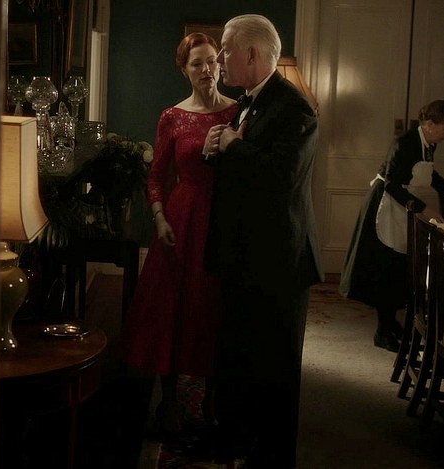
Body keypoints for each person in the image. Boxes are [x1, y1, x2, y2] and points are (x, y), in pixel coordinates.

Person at [201, 14, 322, 468]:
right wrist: (216, 151)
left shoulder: (297, 109)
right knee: (239, 357)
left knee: (276, 370)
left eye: (226, 49)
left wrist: (232, 146)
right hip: (245, 254)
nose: (220, 58)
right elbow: (244, 173)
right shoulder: (247, 101)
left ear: (251, 54)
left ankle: (272, 458)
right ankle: (235, 439)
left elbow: (278, 177)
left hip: (279, 261)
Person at [118, 32, 238, 439]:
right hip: (182, 220)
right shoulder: (172, 116)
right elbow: (155, 177)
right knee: (174, 309)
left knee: (215, 309)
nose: (206, 70)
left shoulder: (238, 111)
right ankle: (168, 402)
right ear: (184, 70)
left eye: (211, 61)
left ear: (220, 63)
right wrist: (159, 219)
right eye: (196, 64)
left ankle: (211, 402)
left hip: (223, 221)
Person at [340, 100, 444, 352]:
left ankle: (390, 324)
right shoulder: (405, 143)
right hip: (386, 205)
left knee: (399, 268)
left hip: (403, 205)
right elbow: (391, 184)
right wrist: (424, 209)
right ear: (430, 124)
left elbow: (427, 172)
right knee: (386, 268)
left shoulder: (429, 144)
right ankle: (382, 331)